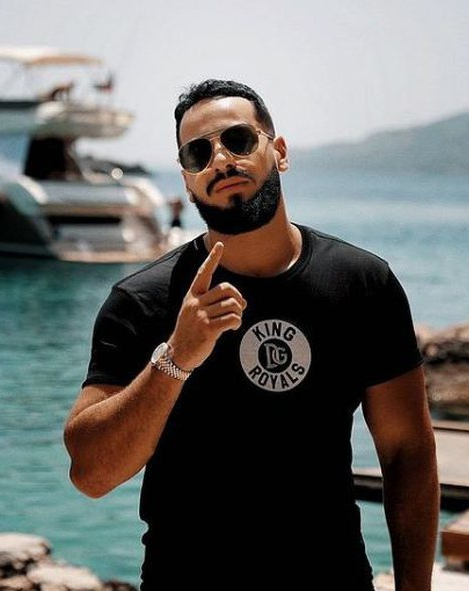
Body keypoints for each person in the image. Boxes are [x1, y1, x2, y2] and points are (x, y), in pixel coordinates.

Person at [63, 79, 439, 591]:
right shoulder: (142, 300)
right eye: (198, 154)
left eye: (238, 140)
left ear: (278, 151)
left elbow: (407, 451)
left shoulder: (362, 284)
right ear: (187, 182)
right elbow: (91, 473)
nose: (220, 160)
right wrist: (175, 359)